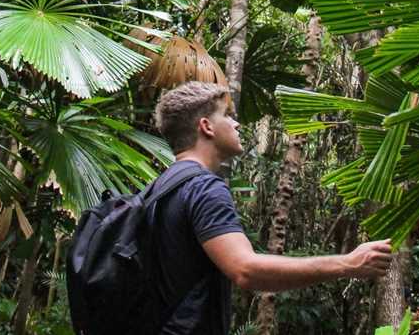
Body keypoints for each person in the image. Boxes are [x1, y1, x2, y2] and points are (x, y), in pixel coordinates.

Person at [150, 81, 393, 334]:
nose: (236, 124)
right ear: (206, 127)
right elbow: (245, 269)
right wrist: (348, 264)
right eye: (227, 116)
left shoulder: (159, 189)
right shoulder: (203, 188)